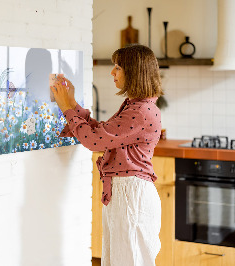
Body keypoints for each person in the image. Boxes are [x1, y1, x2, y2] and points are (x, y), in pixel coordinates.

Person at [51, 44, 163, 266]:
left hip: (131, 195)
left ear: (134, 72)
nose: (112, 72)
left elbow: (94, 141)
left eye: (118, 67)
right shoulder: (136, 106)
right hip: (126, 193)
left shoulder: (140, 111)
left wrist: (66, 108)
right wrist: (72, 103)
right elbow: (102, 133)